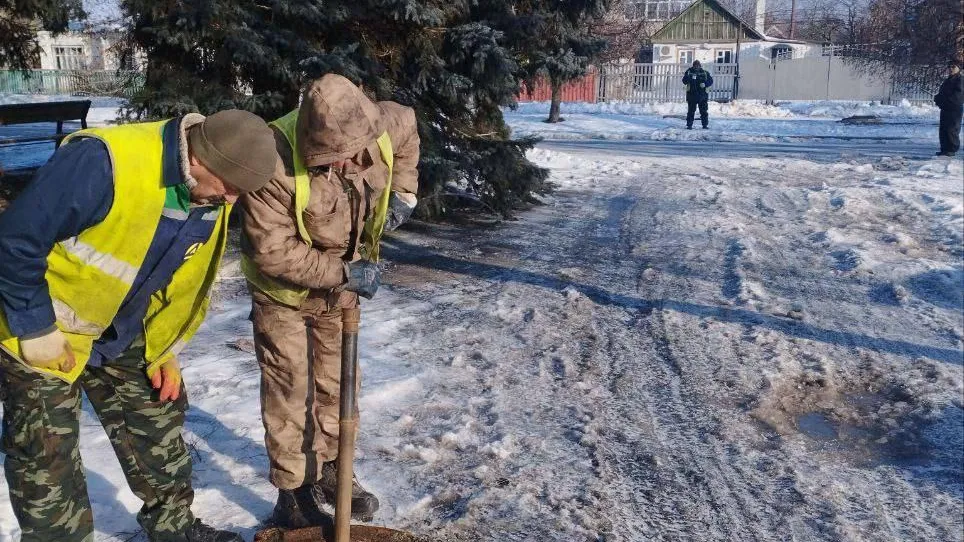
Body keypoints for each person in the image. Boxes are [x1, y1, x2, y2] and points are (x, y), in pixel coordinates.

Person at [0, 110, 277, 542]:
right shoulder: (102, 162)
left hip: (123, 328)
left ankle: (174, 529)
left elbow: (179, 278)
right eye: (232, 189)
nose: (231, 202)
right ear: (201, 160)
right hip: (45, 321)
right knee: (45, 452)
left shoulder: (208, 189)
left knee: (157, 418)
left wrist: (165, 348)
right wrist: (35, 327)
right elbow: (14, 241)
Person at [240, 74, 420, 529]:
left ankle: (335, 472)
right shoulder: (271, 160)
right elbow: (272, 251)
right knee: (290, 389)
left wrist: (403, 192)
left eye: (348, 157)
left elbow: (408, 131)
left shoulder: (382, 122)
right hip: (283, 292)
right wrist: (344, 272)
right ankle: (293, 490)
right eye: (331, 160)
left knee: (339, 382)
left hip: (343, 288)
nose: (344, 167)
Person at [935, 61, 963, 157]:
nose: (951, 69)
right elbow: (943, 92)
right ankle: (944, 149)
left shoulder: (960, 80)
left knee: (952, 129)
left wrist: (945, 102)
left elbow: (958, 96)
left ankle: (951, 149)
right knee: (943, 129)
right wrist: (938, 99)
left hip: (954, 109)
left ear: (959, 68)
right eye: (949, 67)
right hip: (946, 108)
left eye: (953, 67)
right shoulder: (949, 79)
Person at [682, 60, 714, 130]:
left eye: (698, 66)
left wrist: (705, 84)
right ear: (693, 66)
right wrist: (689, 78)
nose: (696, 67)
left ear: (700, 66)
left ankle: (705, 125)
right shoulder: (689, 72)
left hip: (702, 96)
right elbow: (684, 81)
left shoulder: (705, 73)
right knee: (691, 111)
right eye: (695, 66)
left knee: (704, 111)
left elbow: (711, 81)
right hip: (692, 95)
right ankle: (689, 125)